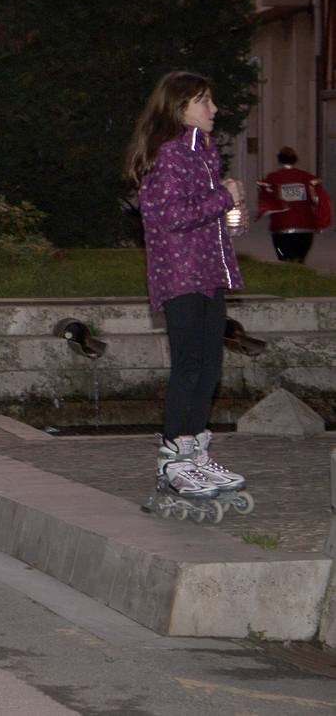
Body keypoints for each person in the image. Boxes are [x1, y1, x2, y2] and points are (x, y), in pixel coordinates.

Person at [125, 71, 248, 516]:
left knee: (210, 365)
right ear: (179, 108)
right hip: (179, 275)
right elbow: (169, 217)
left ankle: (195, 453)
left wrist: (232, 209)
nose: (213, 109)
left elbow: (213, 217)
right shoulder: (170, 154)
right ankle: (173, 458)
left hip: (208, 272)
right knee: (190, 365)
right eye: (203, 101)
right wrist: (221, 199)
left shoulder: (202, 154)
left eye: (211, 101)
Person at [257, 147, 329, 264]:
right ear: (295, 160)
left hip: (282, 227)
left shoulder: (273, 178)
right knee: (300, 261)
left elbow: (266, 199)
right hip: (305, 227)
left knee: (286, 261)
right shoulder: (307, 177)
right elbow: (318, 200)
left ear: (279, 160)